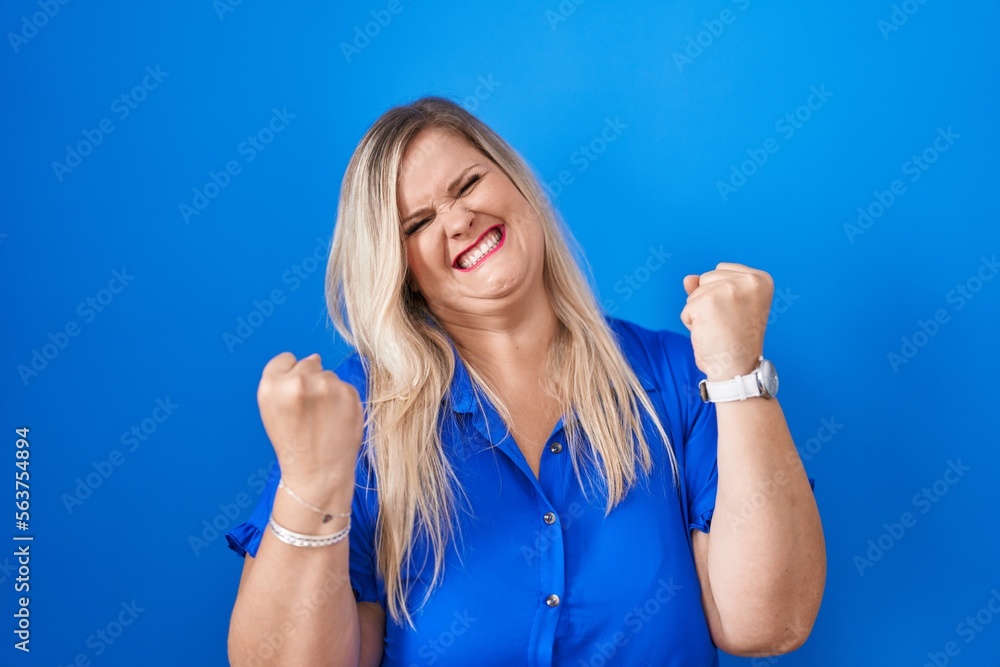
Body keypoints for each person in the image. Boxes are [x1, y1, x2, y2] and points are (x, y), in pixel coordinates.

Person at [225, 96, 825, 666]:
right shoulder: (358, 417)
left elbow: (768, 624)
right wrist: (311, 483)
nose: (459, 220)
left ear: (517, 184)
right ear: (398, 269)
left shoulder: (677, 378)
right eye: (418, 223)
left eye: (468, 185)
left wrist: (738, 373)